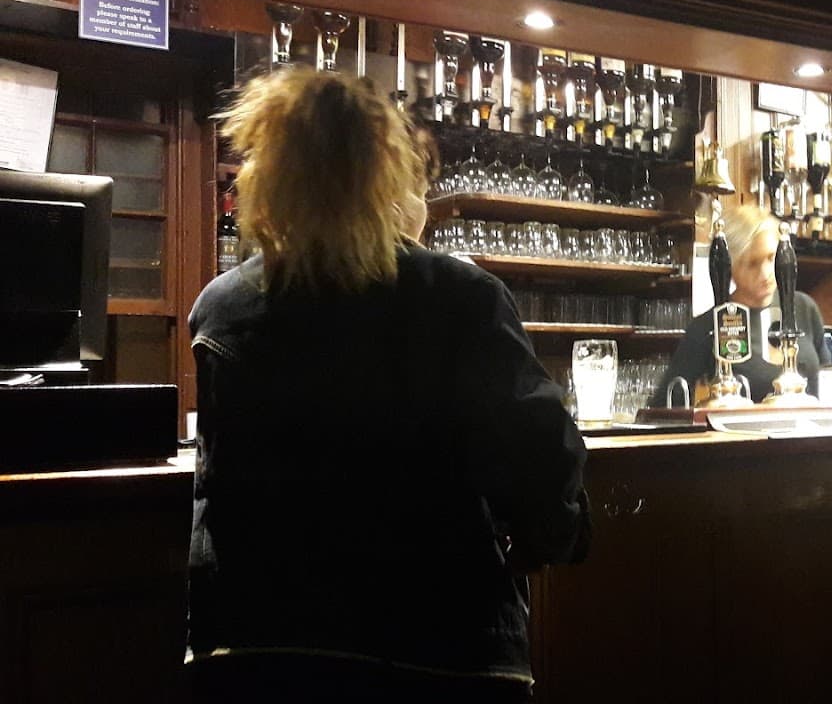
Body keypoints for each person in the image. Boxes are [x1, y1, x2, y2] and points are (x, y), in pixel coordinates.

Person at [186, 68, 589, 703]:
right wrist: (547, 540)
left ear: (268, 176)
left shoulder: (223, 306)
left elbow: (222, 480)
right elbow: (540, 460)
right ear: (388, 174)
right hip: (444, 647)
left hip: (260, 647)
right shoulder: (461, 297)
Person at [655, 204, 830, 405]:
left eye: (772, 257)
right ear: (730, 267)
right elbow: (666, 404)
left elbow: (829, 380)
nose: (766, 273)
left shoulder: (804, 308)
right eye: (752, 263)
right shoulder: (708, 326)